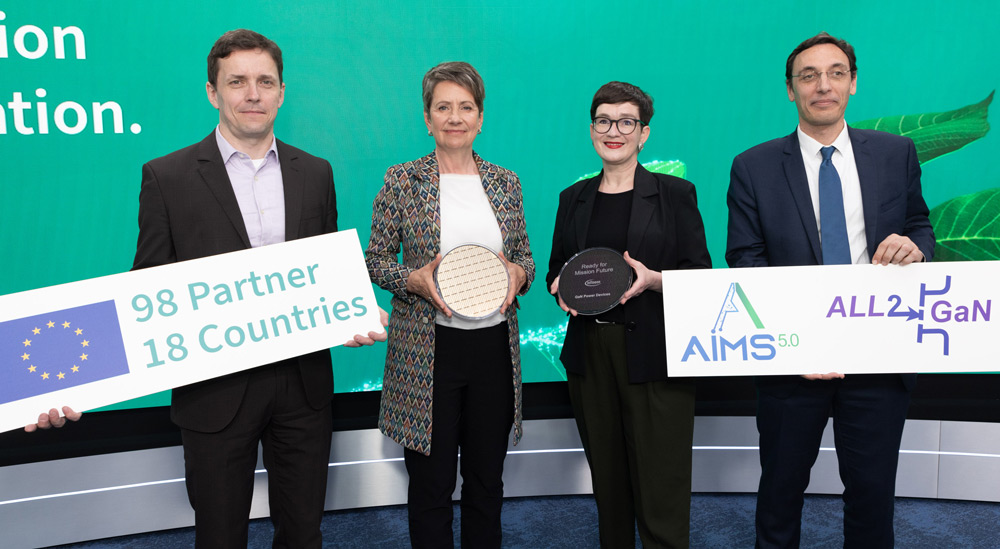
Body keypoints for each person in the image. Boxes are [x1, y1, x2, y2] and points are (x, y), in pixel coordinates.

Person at [127, 29, 386, 548]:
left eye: (265, 81)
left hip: (303, 386)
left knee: (303, 530)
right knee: (220, 534)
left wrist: (351, 310)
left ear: (282, 92)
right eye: (238, 81)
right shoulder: (167, 176)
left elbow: (325, 270)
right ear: (212, 91)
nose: (253, 94)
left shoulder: (315, 173)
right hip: (215, 391)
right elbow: (149, 287)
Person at [726, 32, 935, 549]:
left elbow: (920, 224)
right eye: (809, 76)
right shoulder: (752, 166)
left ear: (853, 83)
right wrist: (795, 344)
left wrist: (916, 248)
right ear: (790, 91)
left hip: (878, 359)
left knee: (871, 497)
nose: (824, 85)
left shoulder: (895, 153)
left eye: (836, 72)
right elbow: (745, 261)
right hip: (793, 364)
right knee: (780, 492)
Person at [365, 61, 534, 548]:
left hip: (492, 352)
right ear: (427, 117)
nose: (454, 117)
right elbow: (376, 261)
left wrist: (517, 273)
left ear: (480, 118)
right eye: (444, 107)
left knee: (487, 482)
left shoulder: (506, 182)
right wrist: (414, 280)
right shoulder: (402, 180)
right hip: (428, 352)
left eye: (466, 107)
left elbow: (524, 257)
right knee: (431, 485)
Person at [546, 81, 712, 548]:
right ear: (592, 129)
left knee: (662, 484)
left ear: (644, 134)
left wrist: (652, 279)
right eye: (603, 120)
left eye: (626, 122)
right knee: (609, 484)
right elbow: (558, 269)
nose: (613, 130)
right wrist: (559, 289)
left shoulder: (676, 194)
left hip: (656, 354)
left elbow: (700, 275)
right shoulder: (572, 198)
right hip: (589, 355)